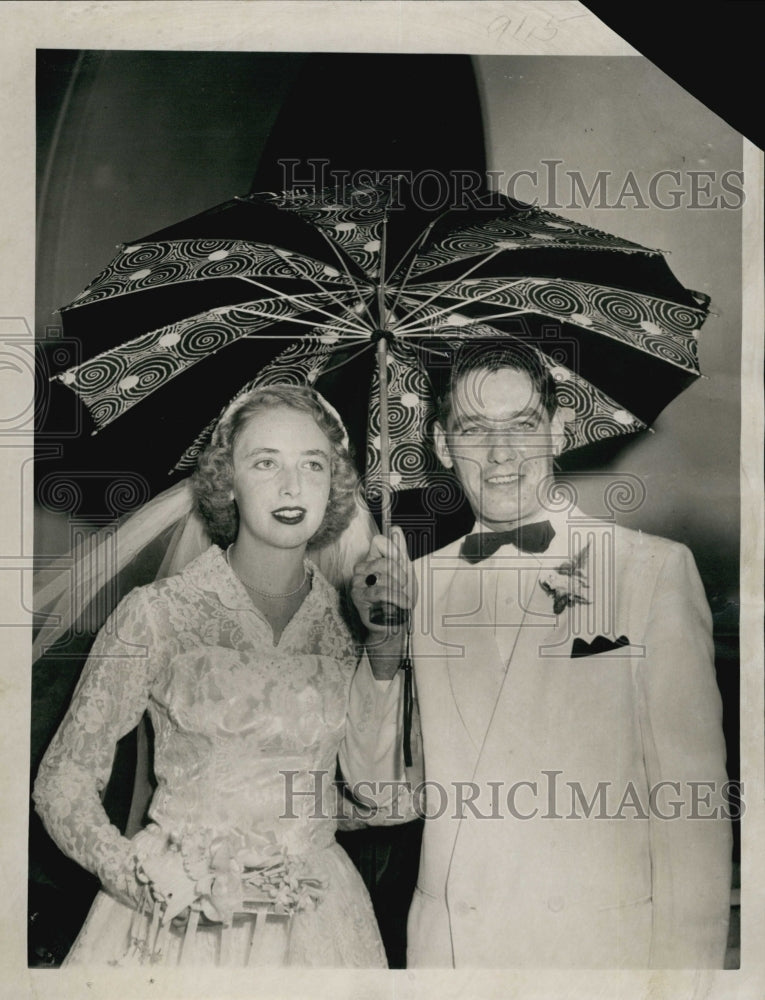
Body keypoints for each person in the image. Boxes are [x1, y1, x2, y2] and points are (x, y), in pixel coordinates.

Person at [341, 337, 733, 968]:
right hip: (454, 958)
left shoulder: (650, 571)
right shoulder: (409, 588)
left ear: (558, 429)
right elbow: (377, 796)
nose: (500, 454)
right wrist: (383, 655)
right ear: (442, 446)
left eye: (521, 425)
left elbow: (692, 813)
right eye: (473, 429)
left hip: (599, 957)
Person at [33, 384, 387, 967]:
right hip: (178, 915)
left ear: (336, 484)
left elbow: (378, 798)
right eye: (265, 462)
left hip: (319, 918)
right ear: (228, 480)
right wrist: (135, 874)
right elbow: (61, 780)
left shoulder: (354, 630)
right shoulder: (159, 613)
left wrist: (387, 647)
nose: (292, 486)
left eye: (313, 464)